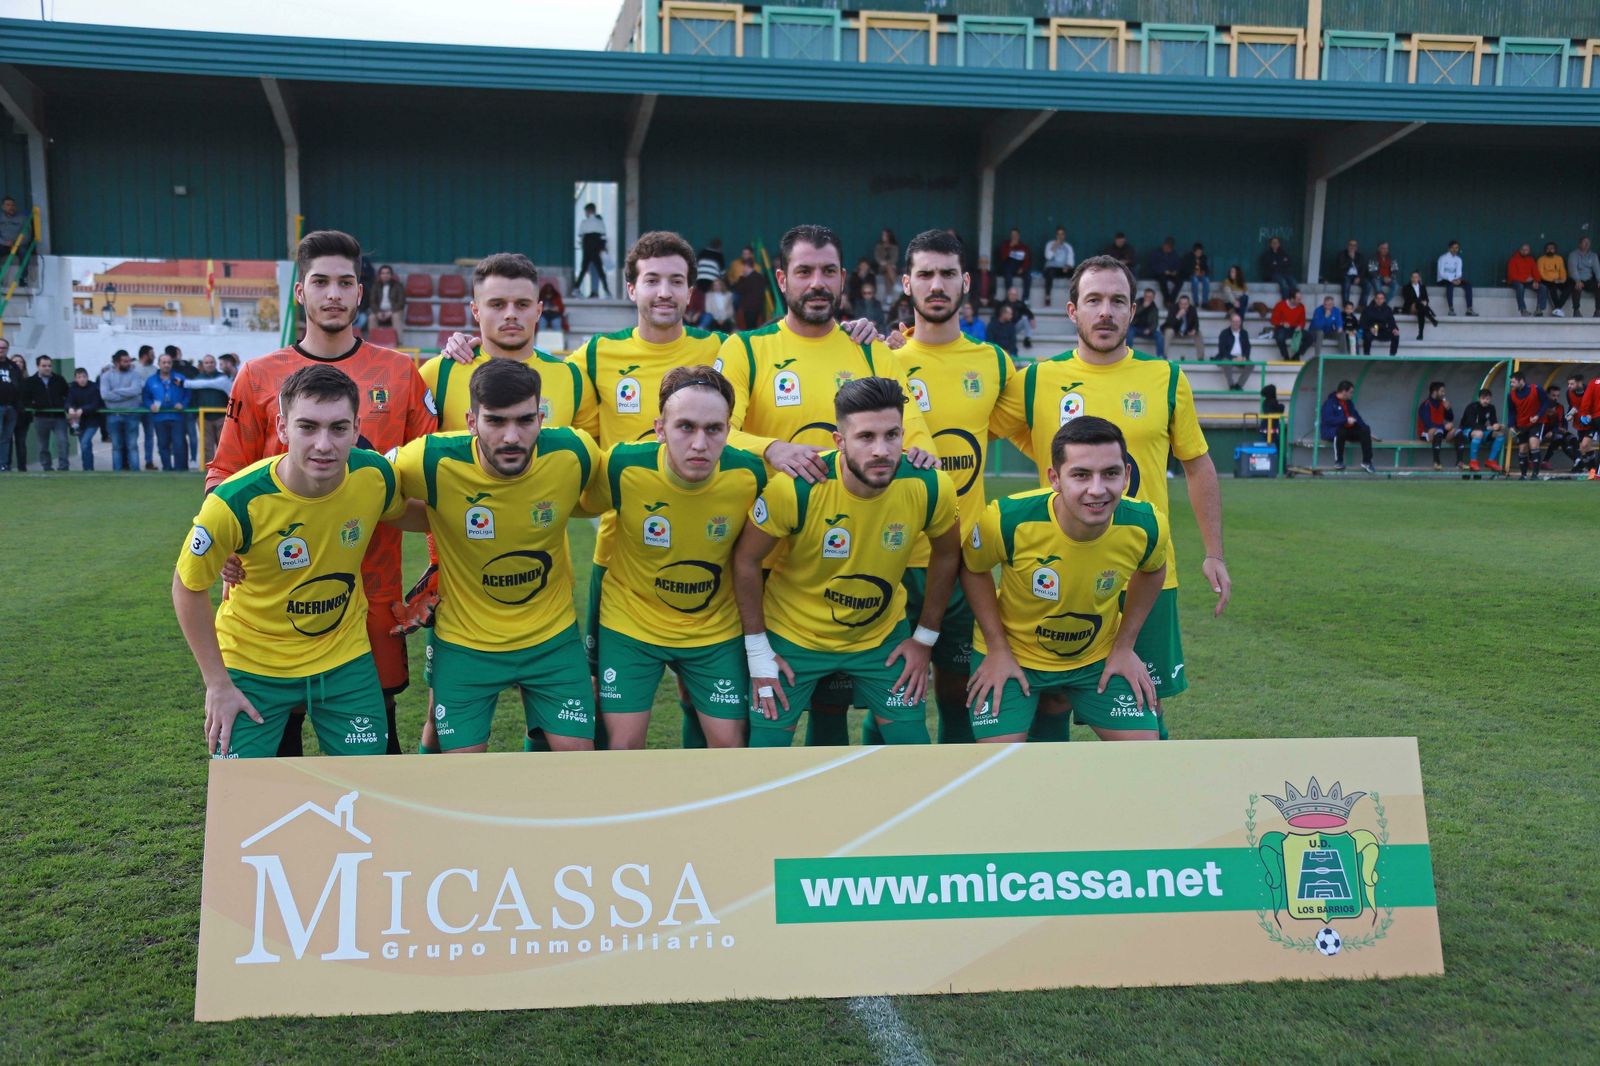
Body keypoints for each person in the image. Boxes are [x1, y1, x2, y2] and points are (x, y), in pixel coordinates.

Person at [209, 229, 435, 757]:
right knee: (274, 757)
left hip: (372, 595)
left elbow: (436, 486)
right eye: (320, 282)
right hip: (273, 601)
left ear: (361, 293)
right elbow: (224, 473)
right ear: (300, 292)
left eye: (344, 283)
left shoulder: (401, 372)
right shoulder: (258, 376)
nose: (332, 294)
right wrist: (225, 551)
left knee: (375, 758)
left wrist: (436, 569)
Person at [992, 254, 1230, 741]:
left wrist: (1213, 553)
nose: (1106, 312)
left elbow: (1197, 463)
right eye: (1094, 300)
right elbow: (979, 427)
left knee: (1143, 697)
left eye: (1117, 301)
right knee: (1053, 692)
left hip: (1144, 570)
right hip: (1060, 566)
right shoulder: (1035, 379)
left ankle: (1148, 808)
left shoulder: (1165, 378)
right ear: (1072, 310)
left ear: (1133, 310)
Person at [172, 365, 406, 759]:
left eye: (338, 428)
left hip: (344, 661)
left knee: (369, 791)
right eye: (307, 427)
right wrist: (217, 684)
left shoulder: (376, 475)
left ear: (356, 427)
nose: (324, 444)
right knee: (245, 798)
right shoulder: (235, 502)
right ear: (282, 428)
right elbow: (187, 587)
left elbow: (419, 513)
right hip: (253, 666)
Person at [733, 376, 959, 746]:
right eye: (866, 437)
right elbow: (745, 560)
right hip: (792, 637)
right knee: (765, 755)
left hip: (881, 638)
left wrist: (924, 639)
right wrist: (758, 652)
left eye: (892, 435)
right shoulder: (795, 488)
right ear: (840, 442)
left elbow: (948, 553)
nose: (881, 450)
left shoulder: (931, 485)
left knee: (915, 751)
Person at [391, 359, 598, 752]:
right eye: (495, 421)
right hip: (466, 643)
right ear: (470, 421)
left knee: (579, 765)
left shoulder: (575, 452)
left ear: (541, 417)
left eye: (524, 421)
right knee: (463, 779)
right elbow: (371, 492)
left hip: (550, 639)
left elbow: (606, 495)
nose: (512, 437)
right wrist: (440, 517)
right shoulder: (429, 460)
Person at [581, 366, 765, 749]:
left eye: (714, 429)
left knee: (731, 747)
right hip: (632, 624)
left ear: (729, 431)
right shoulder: (621, 466)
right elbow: (567, 504)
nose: (700, 443)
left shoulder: (751, 476)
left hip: (712, 627)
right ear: (659, 429)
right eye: (685, 427)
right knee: (623, 747)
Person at [884, 228, 1015, 743]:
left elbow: (1041, 433)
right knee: (893, 695)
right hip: (891, 558)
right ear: (906, 283)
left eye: (946, 274)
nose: (936, 285)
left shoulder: (995, 363)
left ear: (965, 282)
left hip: (964, 561)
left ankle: (955, 809)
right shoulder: (879, 360)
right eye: (925, 274)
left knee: (959, 695)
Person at [963, 416, 1168, 742]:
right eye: (1081, 475)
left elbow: (1154, 569)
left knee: (1143, 754)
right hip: (1015, 655)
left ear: (1127, 476)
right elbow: (973, 569)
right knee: (999, 765)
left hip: (1096, 658)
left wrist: (1125, 646)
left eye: (1111, 473)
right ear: (1055, 478)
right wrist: (997, 648)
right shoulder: (1006, 519)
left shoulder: (1146, 525)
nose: (1097, 489)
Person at [420, 253, 583, 434]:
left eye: (522, 304)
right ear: (475, 310)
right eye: (497, 304)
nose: (510, 314)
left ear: (538, 311)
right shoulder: (437, 374)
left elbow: (588, 456)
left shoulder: (571, 379)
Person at [142, 352, 189, 471]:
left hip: (177, 417)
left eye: (169, 362)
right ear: (158, 364)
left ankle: (180, 469)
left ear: (172, 364)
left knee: (179, 444)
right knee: (163, 445)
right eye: (163, 362)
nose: (166, 365)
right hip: (159, 417)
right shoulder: (151, 380)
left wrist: (183, 404)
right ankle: (167, 468)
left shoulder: (179, 378)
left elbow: (188, 394)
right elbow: (146, 396)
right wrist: (150, 405)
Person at [98, 349, 143, 471]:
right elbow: (105, 395)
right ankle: (117, 472)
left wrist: (116, 392)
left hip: (132, 414)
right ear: (117, 362)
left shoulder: (135, 374)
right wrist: (126, 393)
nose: (128, 363)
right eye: (125, 361)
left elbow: (136, 390)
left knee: (132, 446)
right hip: (113, 415)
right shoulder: (106, 376)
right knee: (116, 446)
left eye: (128, 361)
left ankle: (135, 472)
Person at [25, 355, 71, 471]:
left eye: (49, 366)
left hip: (59, 417)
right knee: (43, 445)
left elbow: (68, 395)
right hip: (41, 418)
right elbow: (25, 399)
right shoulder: (30, 382)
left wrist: (67, 407)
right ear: (38, 366)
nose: (47, 368)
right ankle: (46, 466)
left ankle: (63, 466)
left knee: (63, 442)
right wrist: (35, 405)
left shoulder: (59, 379)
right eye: (44, 366)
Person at [1319, 379, 1374, 473]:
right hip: (1333, 431)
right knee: (1341, 431)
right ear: (1344, 392)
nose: (1352, 395)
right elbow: (1327, 419)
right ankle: (1338, 461)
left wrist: (1367, 431)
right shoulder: (1330, 403)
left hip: (1348, 431)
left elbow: (1357, 417)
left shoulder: (1349, 403)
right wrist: (1345, 420)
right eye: (1351, 392)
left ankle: (1367, 462)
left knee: (1365, 430)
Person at [186, 355, 233, 464]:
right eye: (206, 362)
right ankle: (209, 470)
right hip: (204, 418)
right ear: (203, 364)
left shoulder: (223, 378)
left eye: (211, 362)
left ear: (215, 364)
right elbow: (193, 397)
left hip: (222, 417)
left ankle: (224, 468)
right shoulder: (197, 379)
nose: (209, 364)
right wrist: (197, 415)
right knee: (206, 445)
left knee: (224, 445)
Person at [1506, 370, 1549, 480]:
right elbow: (1511, 412)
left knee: (1533, 444)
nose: (1511, 384)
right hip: (1522, 424)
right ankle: (1523, 475)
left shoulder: (1536, 389)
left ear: (1521, 381)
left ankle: (1535, 474)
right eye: (1511, 382)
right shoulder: (1511, 395)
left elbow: (1546, 402)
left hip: (1537, 422)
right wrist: (1511, 426)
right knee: (1522, 449)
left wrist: (1538, 415)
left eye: (1513, 382)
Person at [65, 367, 104, 471]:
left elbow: (96, 403)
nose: (82, 379)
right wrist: (70, 408)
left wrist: (83, 409)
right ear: (75, 378)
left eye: (84, 376)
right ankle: (88, 468)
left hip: (92, 421)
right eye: (79, 377)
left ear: (87, 377)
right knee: (86, 446)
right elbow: (68, 401)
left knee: (84, 443)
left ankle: (87, 469)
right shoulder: (72, 388)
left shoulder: (94, 388)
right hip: (78, 422)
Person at [1457, 387, 1504, 473]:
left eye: (1487, 399)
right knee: (1479, 433)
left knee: (1500, 434)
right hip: (1466, 431)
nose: (1485, 401)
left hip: (1481, 431)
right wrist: (1488, 428)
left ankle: (1491, 461)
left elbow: (1493, 422)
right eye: (1483, 399)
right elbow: (1471, 424)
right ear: (1479, 398)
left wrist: (1498, 426)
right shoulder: (1472, 407)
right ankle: (1473, 462)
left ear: (1490, 399)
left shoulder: (1491, 408)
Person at [1415, 381, 1460, 470]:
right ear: (1435, 391)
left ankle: (1460, 462)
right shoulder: (1426, 404)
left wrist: (1448, 409)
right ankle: (1436, 462)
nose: (1444, 393)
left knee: (1458, 432)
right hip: (1426, 433)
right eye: (1442, 391)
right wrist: (1444, 427)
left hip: (1438, 431)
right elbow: (1428, 424)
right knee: (1438, 432)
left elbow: (1450, 418)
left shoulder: (1441, 403)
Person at [575, 202, 611, 298]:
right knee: (600, 270)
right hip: (596, 247)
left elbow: (580, 235)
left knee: (583, 269)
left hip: (587, 246)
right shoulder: (600, 222)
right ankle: (607, 291)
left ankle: (576, 288)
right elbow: (603, 236)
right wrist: (603, 249)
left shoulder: (584, 223)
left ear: (588, 211)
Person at [1436, 239, 1477, 316]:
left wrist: (1458, 279)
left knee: (1468, 285)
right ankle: (1451, 309)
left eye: (1456, 248)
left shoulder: (1458, 259)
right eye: (1453, 248)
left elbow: (1459, 273)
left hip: (1455, 280)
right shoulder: (1442, 258)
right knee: (1450, 285)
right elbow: (1441, 273)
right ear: (1449, 249)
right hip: (1443, 280)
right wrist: (1452, 280)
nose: (1455, 250)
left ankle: (1469, 309)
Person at [730, 247, 768, 330]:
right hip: (759, 307)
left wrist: (741, 278)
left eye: (744, 267)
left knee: (749, 328)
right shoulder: (760, 277)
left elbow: (738, 289)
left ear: (747, 266)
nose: (743, 269)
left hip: (749, 308)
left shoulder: (747, 279)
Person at [135, 345, 159, 469]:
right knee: (132, 435)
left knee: (149, 435)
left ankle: (148, 461)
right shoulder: (133, 367)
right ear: (145, 355)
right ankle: (131, 462)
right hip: (135, 406)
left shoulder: (155, 370)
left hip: (149, 406)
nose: (154, 356)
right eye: (152, 354)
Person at [1213, 311, 1251, 391]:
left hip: (1240, 357)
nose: (1236, 323)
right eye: (1234, 322)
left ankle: (1239, 385)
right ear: (1230, 322)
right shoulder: (1224, 333)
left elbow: (1248, 347)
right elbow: (1222, 349)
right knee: (1226, 362)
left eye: (1238, 322)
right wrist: (1232, 358)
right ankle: (1231, 385)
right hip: (1228, 357)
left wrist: (1244, 357)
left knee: (1251, 364)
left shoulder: (1244, 333)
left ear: (1240, 322)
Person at [1270, 290, 1310, 360]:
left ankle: (1296, 355)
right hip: (1282, 328)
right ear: (1292, 299)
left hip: (1295, 329)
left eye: (1300, 299)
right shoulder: (1280, 305)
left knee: (1310, 337)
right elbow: (1273, 320)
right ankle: (1286, 356)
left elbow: (1303, 321)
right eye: (1298, 299)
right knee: (1280, 337)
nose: (1300, 301)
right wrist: (1282, 323)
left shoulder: (1301, 306)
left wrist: (1300, 326)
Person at [1507, 243, 1545, 317]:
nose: (1525, 251)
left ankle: (1539, 309)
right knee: (1520, 287)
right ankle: (1523, 310)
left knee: (1543, 287)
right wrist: (1525, 279)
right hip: (1516, 281)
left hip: (1528, 281)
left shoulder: (1530, 260)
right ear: (1520, 250)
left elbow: (1536, 273)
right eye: (1523, 250)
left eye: (1526, 250)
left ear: (1529, 251)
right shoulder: (1513, 259)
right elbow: (1512, 275)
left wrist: (1536, 281)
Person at [1333, 238, 1371, 309]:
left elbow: (1363, 269)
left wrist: (1359, 277)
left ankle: (1362, 306)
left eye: (1354, 245)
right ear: (1347, 246)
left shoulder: (1360, 256)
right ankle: (1346, 306)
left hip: (1356, 276)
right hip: (1345, 275)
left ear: (1356, 247)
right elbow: (1341, 267)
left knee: (1368, 285)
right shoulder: (1342, 254)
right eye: (1351, 245)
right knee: (1346, 283)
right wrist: (1351, 259)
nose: (1352, 247)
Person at [1400, 271, 1439, 340]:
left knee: (1421, 310)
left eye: (1416, 277)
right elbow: (1407, 299)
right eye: (1413, 277)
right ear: (1411, 278)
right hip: (1411, 306)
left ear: (1419, 278)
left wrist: (1425, 302)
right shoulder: (1406, 287)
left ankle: (1420, 334)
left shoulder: (1422, 287)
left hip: (1420, 307)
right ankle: (1432, 319)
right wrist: (1419, 302)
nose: (1415, 278)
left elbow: (1426, 298)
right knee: (1420, 306)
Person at [0, 338, 20, 471]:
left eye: (3, 348)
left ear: (7, 349)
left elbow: (19, 385)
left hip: (11, 407)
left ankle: (3, 464)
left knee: (6, 438)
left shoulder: (13, 366)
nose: (1, 350)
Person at [1161, 293, 1202, 358]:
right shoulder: (1173, 308)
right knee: (1169, 331)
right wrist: (1178, 316)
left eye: (1185, 304)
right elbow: (1168, 324)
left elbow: (1196, 323)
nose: (1183, 306)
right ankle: (1164, 356)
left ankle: (1200, 357)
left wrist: (1194, 330)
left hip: (1186, 332)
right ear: (1178, 304)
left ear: (1188, 304)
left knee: (1198, 333)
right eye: (1181, 304)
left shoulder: (1192, 309)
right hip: (1175, 331)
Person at [1537, 242, 1571, 318]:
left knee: (1569, 285)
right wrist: (1553, 280)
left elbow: (1562, 271)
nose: (1550, 250)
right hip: (1546, 280)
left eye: (1552, 248)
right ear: (1545, 250)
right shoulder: (1541, 259)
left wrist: (1562, 280)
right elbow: (1541, 274)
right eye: (1548, 249)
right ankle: (1558, 309)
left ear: (1555, 250)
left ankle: (1557, 308)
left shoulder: (1559, 258)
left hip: (1558, 280)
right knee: (1553, 288)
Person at [1359, 291, 1400, 355]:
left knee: (1396, 335)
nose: (1379, 300)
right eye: (1377, 298)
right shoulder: (1367, 309)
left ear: (1384, 300)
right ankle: (1366, 355)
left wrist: (1395, 329)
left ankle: (1392, 355)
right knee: (1367, 336)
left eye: (1381, 298)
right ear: (1375, 299)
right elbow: (1362, 323)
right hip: (1371, 330)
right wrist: (1370, 328)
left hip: (1382, 330)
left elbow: (1391, 322)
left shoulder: (1388, 309)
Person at [1042, 226, 1075, 306]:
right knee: (1049, 273)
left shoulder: (1068, 247)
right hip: (1052, 268)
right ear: (1056, 235)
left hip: (1063, 269)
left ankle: (1074, 298)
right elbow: (1048, 256)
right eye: (1058, 234)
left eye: (1062, 234)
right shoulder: (1050, 244)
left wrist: (1067, 266)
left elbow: (1071, 261)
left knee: (1076, 273)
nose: (1060, 236)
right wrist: (1055, 245)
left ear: (1064, 236)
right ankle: (1047, 296)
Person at [1567, 237, 1599, 318]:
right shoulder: (1573, 254)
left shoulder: (1593, 256)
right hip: (1576, 279)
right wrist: (1577, 280)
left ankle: (1598, 311)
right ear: (1579, 244)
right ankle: (1576, 310)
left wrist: (1599, 280)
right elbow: (1572, 269)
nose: (1587, 244)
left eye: (1588, 242)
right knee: (1577, 287)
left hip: (1588, 279)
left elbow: (1597, 269)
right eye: (1584, 242)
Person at [1128, 288, 1165, 358]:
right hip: (1135, 327)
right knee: (1129, 332)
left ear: (1153, 298)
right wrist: (1144, 307)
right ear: (1144, 296)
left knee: (1159, 336)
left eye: (1150, 297)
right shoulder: (1137, 303)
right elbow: (1132, 315)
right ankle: (1128, 353)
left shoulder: (1154, 308)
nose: (1148, 298)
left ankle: (1161, 356)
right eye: (1147, 296)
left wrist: (1150, 330)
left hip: (1147, 330)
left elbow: (1155, 323)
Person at [368, 265, 406, 332]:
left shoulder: (398, 285)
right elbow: (372, 301)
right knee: (371, 317)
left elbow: (401, 302)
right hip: (379, 311)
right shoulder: (375, 285)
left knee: (396, 316)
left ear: (391, 275)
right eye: (383, 273)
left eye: (387, 273)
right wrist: (377, 312)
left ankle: (398, 341)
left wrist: (391, 312)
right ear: (380, 275)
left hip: (394, 311)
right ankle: (373, 340)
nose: (385, 275)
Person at [1148, 237, 1182, 310]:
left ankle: (1171, 300)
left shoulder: (1173, 254)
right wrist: (1164, 270)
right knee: (1163, 280)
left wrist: (1174, 271)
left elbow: (1177, 265)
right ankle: (1167, 301)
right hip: (1159, 274)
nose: (1168, 248)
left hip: (1170, 274)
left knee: (1180, 280)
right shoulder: (1156, 253)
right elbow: (1153, 266)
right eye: (1167, 246)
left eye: (1170, 247)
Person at [1000, 283, 1036, 350]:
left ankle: (1027, 339)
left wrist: (1032, 318)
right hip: (1005, 328)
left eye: (1015, 295)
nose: (1013, 296)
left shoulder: (1020, 304)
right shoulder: (1003, 304)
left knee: (1025, 318)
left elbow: (1028, 312)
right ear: (1008, 294)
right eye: (1012, 294)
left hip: (1015, 327)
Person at [874, 228, 900, 293]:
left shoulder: (894, 246)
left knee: (887, 275)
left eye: (884, 235)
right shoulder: (879, 246)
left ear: (889, 236)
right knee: (888, 267)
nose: (883, 236)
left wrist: (887, 263)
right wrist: (884, 263)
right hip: (881, 267)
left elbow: (895, 258)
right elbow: (877, 257)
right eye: (883, 235)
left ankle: (888, 296)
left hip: (892, 267)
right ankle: (896, 284)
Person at [1185, 242, 1211, 308]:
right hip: (1192, 275)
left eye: (1200, 252)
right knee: (1195, 280)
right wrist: (1193, 272)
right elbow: (1186, 269)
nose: (1199, 253)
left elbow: (1206, 268)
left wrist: (1203, 272)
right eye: (1197, 252)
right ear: (1194, 251)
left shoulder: (1204, 257)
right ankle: (1196, 302)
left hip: (1201, 275)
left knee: (1207, 280)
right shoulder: (1188, 257)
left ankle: (1204, 302)